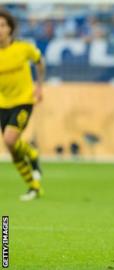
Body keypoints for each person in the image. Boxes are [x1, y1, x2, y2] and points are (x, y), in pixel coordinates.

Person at [0, 9, 45, 201]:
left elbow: (39, 62)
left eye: (2, 25)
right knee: (12, 148)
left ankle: (31, 153)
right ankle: (33, 187)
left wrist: (40, 86)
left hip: (23, 101)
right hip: (3, 104)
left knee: (10, 140)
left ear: (10, 28)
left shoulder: (23, 48)